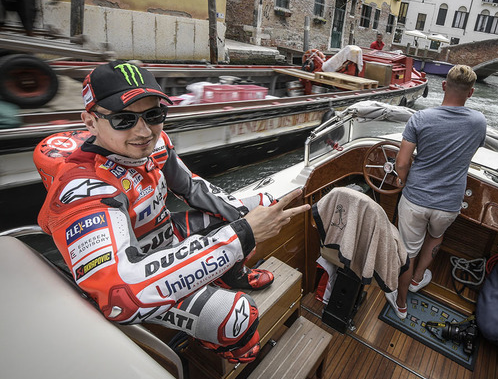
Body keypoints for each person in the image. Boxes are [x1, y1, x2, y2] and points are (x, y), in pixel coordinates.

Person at [35, 60, 310, 363]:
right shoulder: (83, 188)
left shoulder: (156, 144)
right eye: (124, 120)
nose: (143, 131)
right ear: (90, 122)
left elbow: (192, 188)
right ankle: (230, 351)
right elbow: (121, 295)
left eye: (153, 115)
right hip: (136, 273)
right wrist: (241, 234)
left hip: (167, 236)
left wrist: (243, 219)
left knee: (251, 209)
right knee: (237, 317)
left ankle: (230, 275)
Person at [386, 65, 487, 319]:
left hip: (416, 199)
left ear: (443, 86)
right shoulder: (478, 122)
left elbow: (401, 163)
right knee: (435, 237)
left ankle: (400, 303)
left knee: (407, 251)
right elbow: (467, 154)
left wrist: (404, 180)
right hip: (449, 203)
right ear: (471, 93)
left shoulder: (420, 119)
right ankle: (419, 278)